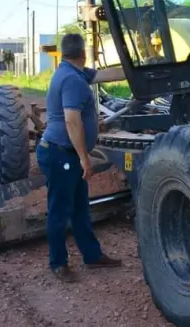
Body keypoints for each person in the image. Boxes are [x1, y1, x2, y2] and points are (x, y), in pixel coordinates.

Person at [35, 32, 125, 282]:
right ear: (83, 54)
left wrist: (135, 70)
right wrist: (85, 159)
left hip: (65, 153)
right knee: (60, 210)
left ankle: (92, 256)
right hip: (60, 154)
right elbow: (72, 122)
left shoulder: (72, 71)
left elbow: (103, 75)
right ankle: (58, 263)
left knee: (80, 209)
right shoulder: (73, 80)